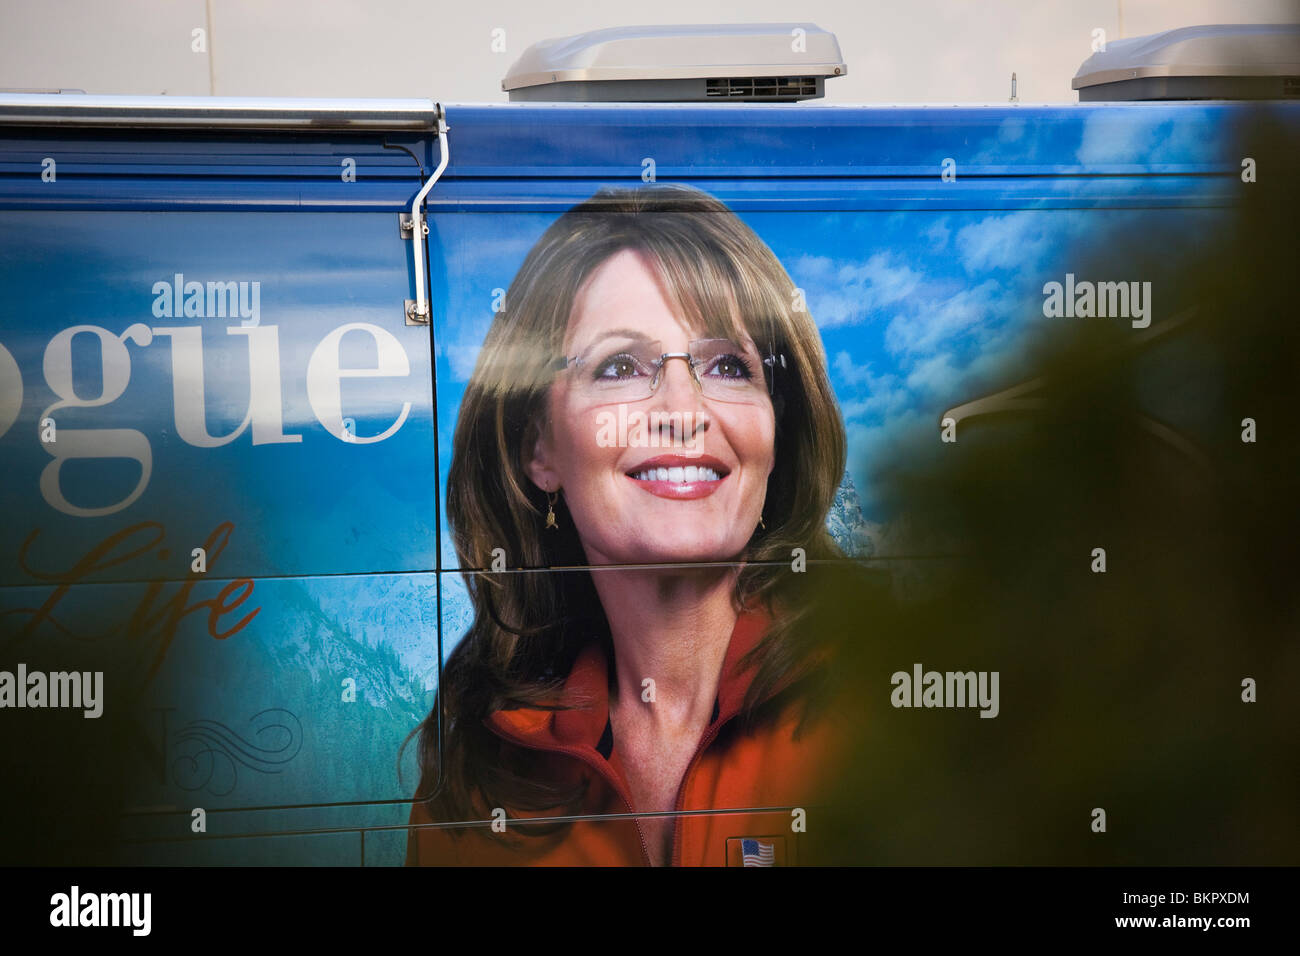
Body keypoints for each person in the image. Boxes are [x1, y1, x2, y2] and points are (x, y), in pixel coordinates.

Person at [405, 183, 854, 865]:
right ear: (539, 449)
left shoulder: (892, 706)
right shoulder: (481, 767)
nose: (682, 407)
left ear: (778, 432)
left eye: (728, 365)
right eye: (621, 366)